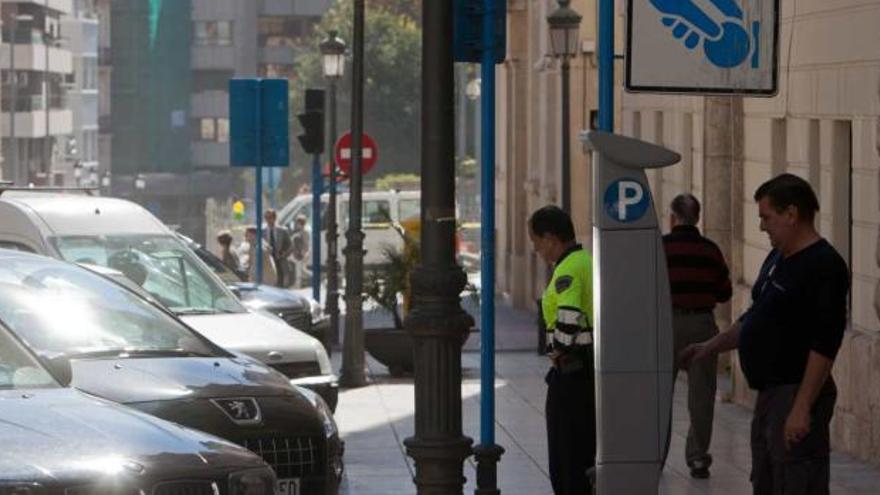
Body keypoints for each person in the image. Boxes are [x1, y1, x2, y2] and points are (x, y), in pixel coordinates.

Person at [680, 174, 849, 495]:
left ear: (791, 214)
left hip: (795, 391)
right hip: (771, 395)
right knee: (766, 480)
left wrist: (802, 407)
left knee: (796, 480)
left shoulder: (824, 265)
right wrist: (710, 347)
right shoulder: (777, 257)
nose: (761, 226)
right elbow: (756, 318)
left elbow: (825, 343)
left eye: (765, 217)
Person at [662, 193, 732, 478]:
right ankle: (698, 457)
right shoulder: (710, 250)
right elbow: (724, 292)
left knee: (658, 395)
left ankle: (655, 455)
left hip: (665, 326)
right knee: (702, 396)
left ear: (672, 217)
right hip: (702, 325)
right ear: (698, 217)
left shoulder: (659, 248)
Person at [528, 205, 594, 495]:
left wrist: (558, 350)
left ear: (550, 238)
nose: (536, 249)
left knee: (567, 453)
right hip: (582, 371)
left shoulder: (568, 268)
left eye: (536, 241)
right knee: (578, 449)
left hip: (574, 373)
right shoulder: (582, 261)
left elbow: (569, 314)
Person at [263, 209, 291, 288]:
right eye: (266, 218)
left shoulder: (282, 230)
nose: (268, 220)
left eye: (270, 217)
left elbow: (290, 246)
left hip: (281, 259)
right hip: (268, 260)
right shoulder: (263, 232)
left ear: (274, 218)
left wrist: (284, 254)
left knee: (281, 280)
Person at [290, 214, 311, 287]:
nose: (296, 224)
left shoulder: (304, 232)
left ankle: (298, 284)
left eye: (297, 223)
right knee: (301, 269)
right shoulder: (298, 231)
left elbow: (306, 244)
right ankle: (313, 278)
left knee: (300, 270)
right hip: (298, 253)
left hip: (302, 254)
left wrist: (303, 253)